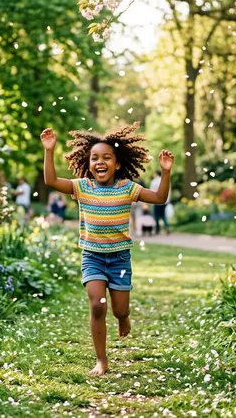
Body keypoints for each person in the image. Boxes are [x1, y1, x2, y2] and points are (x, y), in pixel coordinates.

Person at [40, 122, 174, 376]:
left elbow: (159, 198)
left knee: (119, 309)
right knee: (97, 305)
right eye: (94, 158)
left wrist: (165, 173)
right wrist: (49, 150)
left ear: (118, 164)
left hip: (120, 258)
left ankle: (124, 317)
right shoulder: (82, 187)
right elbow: (51, 180)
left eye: (106, 158)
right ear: (88, 163)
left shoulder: (127, 188)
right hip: (93, 257)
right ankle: (102, 360)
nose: (99, 162)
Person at [149, 170, 171, 235]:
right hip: (165, 201)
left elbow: (151, 191)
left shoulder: (154, 181)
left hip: (156, 201)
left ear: (156, 174)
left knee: (156, 216)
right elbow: (169, 191)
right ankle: (166, 227)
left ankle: (157, 229)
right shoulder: (166, 181)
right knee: (163, 215)